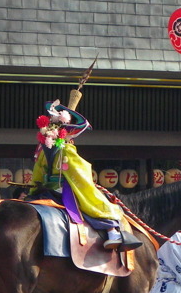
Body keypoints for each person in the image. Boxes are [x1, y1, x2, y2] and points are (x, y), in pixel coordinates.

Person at [31, 99, 140, 251]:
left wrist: (33, 191)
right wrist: (90, 183)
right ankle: (112, 232)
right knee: (100, 203)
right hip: (62, 190)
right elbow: (81, 172)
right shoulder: (66, 150)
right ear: (68, 132)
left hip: (45, 190)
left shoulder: (43, 151)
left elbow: (36, 175)